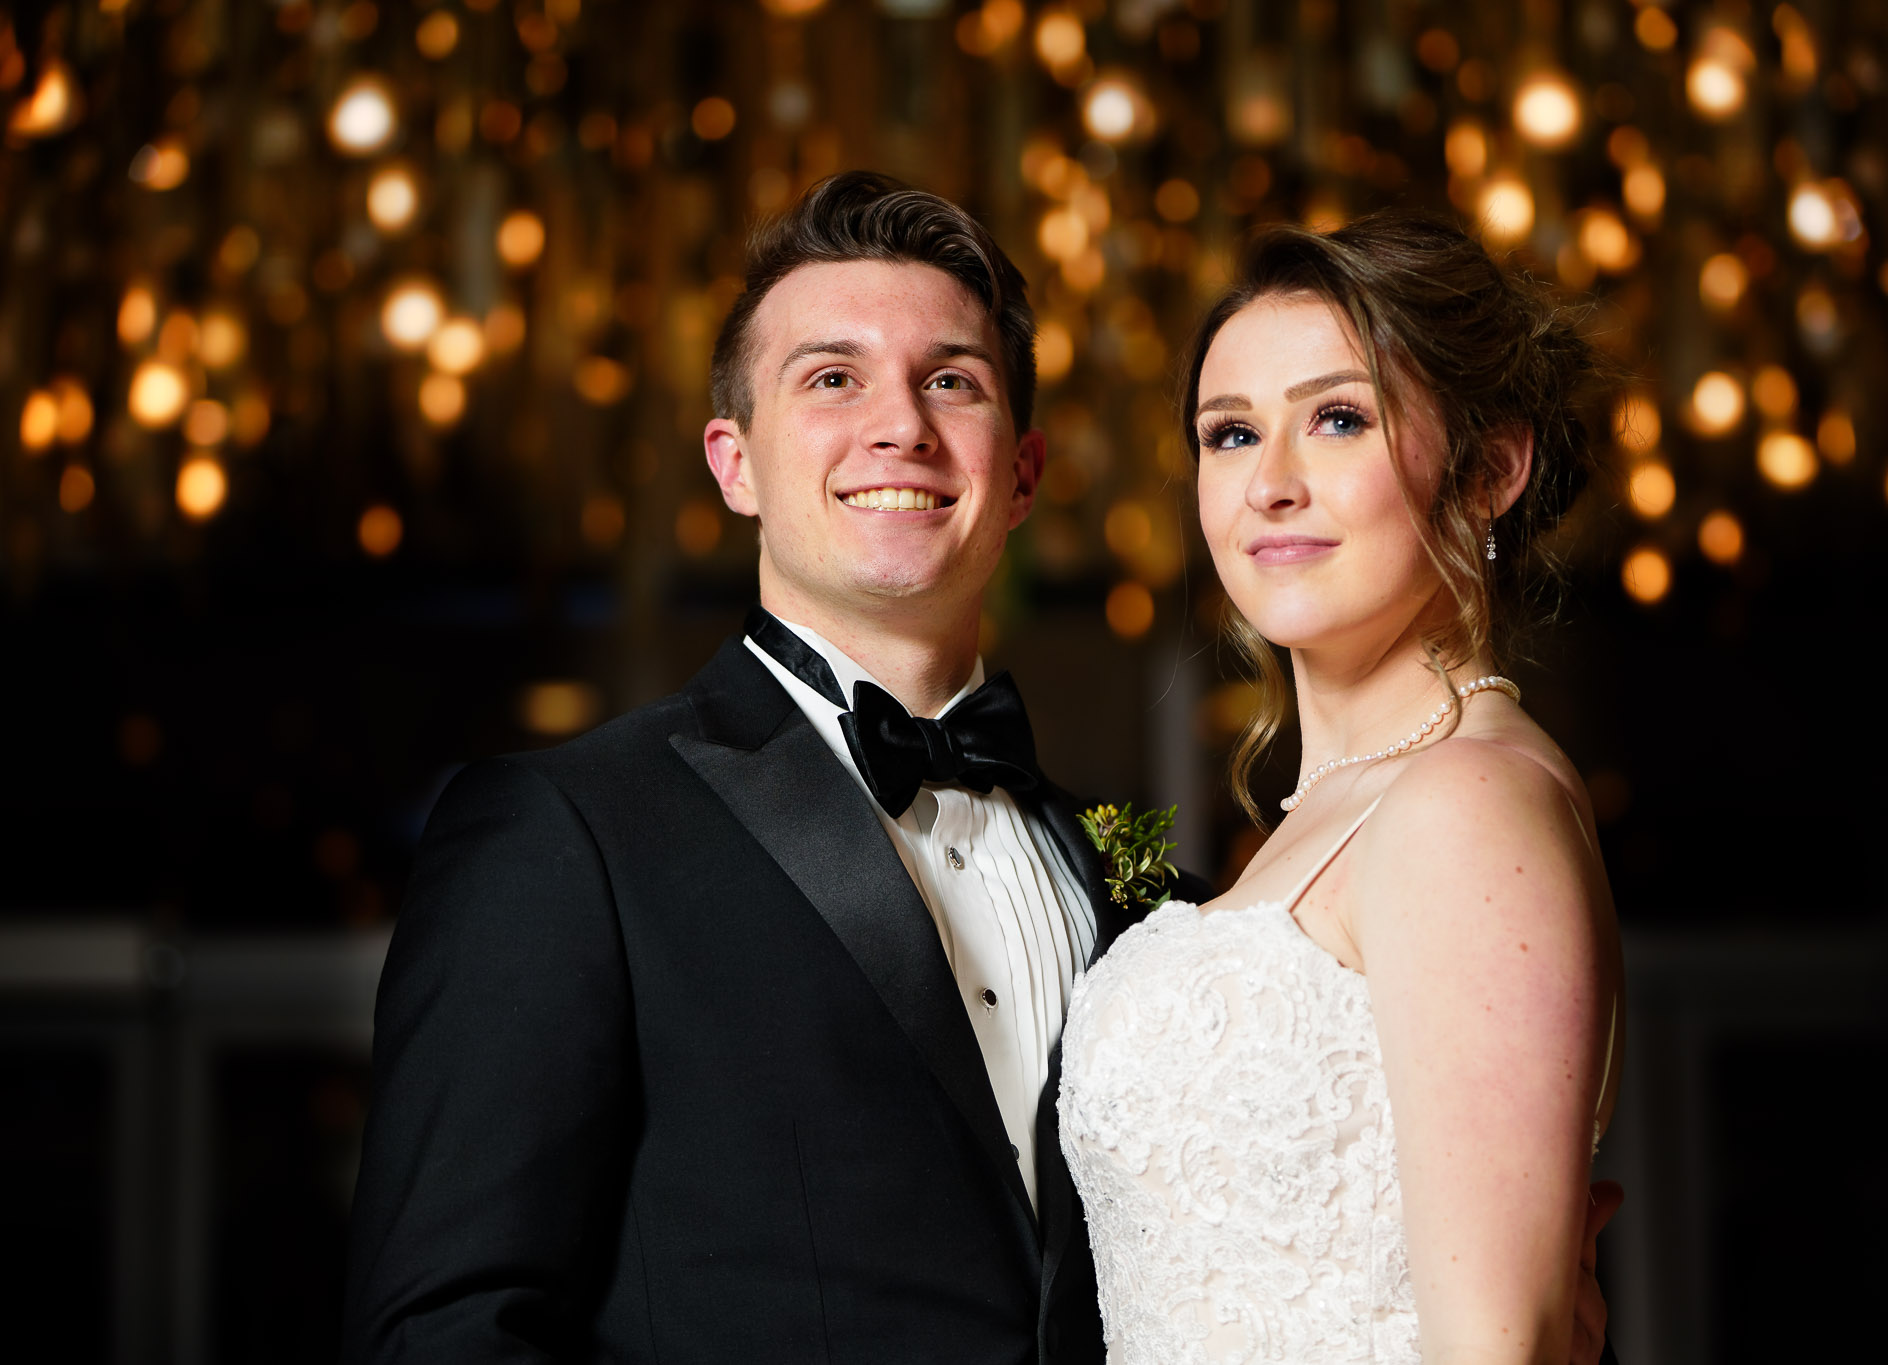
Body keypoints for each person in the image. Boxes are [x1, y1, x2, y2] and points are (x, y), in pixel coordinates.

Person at [341, 173, 1616, 1364]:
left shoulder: (1154, 892)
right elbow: (445, 1332)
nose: (896, 425)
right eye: (830, 379)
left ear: (1022, 472)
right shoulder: (565, 836)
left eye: (950, 381)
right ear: (733, 462)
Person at [1058, 211, 1626, 1365]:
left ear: (1486, 469)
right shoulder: (1335, 811)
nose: (1269, 483)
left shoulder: (1465, 804)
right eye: (1227, 435)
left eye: (1336, 419)